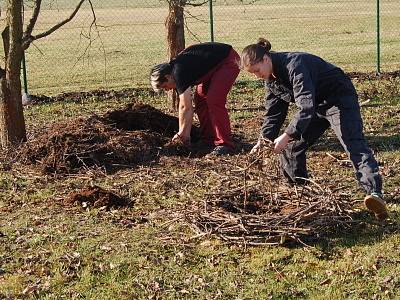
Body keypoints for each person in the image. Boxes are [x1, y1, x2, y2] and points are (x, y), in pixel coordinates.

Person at [240, 38, 389, 220]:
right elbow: (273, 114)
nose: (257, 76)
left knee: (353, 144)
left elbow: (305, 107)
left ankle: (374, 195)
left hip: (339, 99)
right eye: (252, 74)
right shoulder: (271, 80)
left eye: (256, 71)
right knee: (291, 148)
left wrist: (286, 134)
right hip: (316, 105)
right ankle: (300, 196)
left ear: (265, 59)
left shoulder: (295, 65)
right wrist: (262, 141)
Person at [150, 42, 240, 156]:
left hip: (228, 60)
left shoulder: (178, 72)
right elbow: (185, 106)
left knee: (214, 100)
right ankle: (208, 139)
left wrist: (182, 132)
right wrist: (184, 133)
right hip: (214, 67)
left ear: (167, 77)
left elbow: (185, 107)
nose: (167, 90)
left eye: (164, 86)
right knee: (201, 100)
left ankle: (226, 144)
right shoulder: (175, 71)